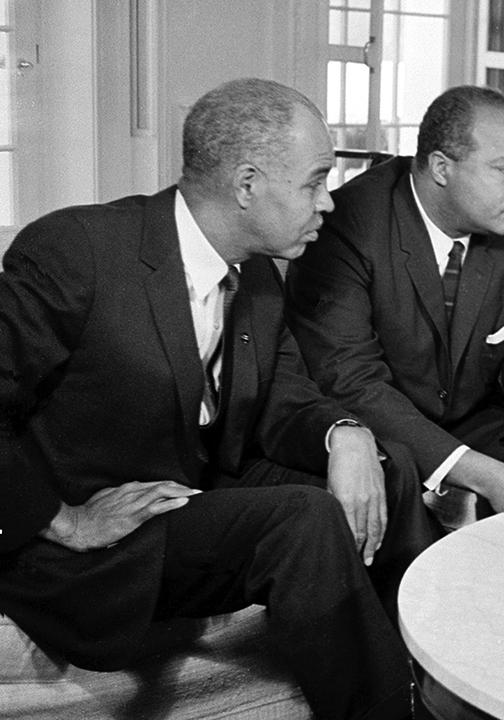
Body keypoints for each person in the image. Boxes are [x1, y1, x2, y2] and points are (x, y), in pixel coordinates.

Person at [0, 78, 432, 719]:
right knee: (302, 520)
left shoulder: (259, 272)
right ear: (247, 184)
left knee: (391, 468)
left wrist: (348, 433)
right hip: (112, 527)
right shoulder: (77, 252)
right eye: (315, 182)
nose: (330, 205)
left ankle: (428, 674)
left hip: (197, 478)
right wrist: (63, 519)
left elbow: (283, 395)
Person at [287, 86, 504, 515]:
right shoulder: (348, 225)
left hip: (473, 416)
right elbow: (353, 382)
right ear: (441, 167)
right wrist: (486, 475)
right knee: (401, 473)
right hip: (376, 423)